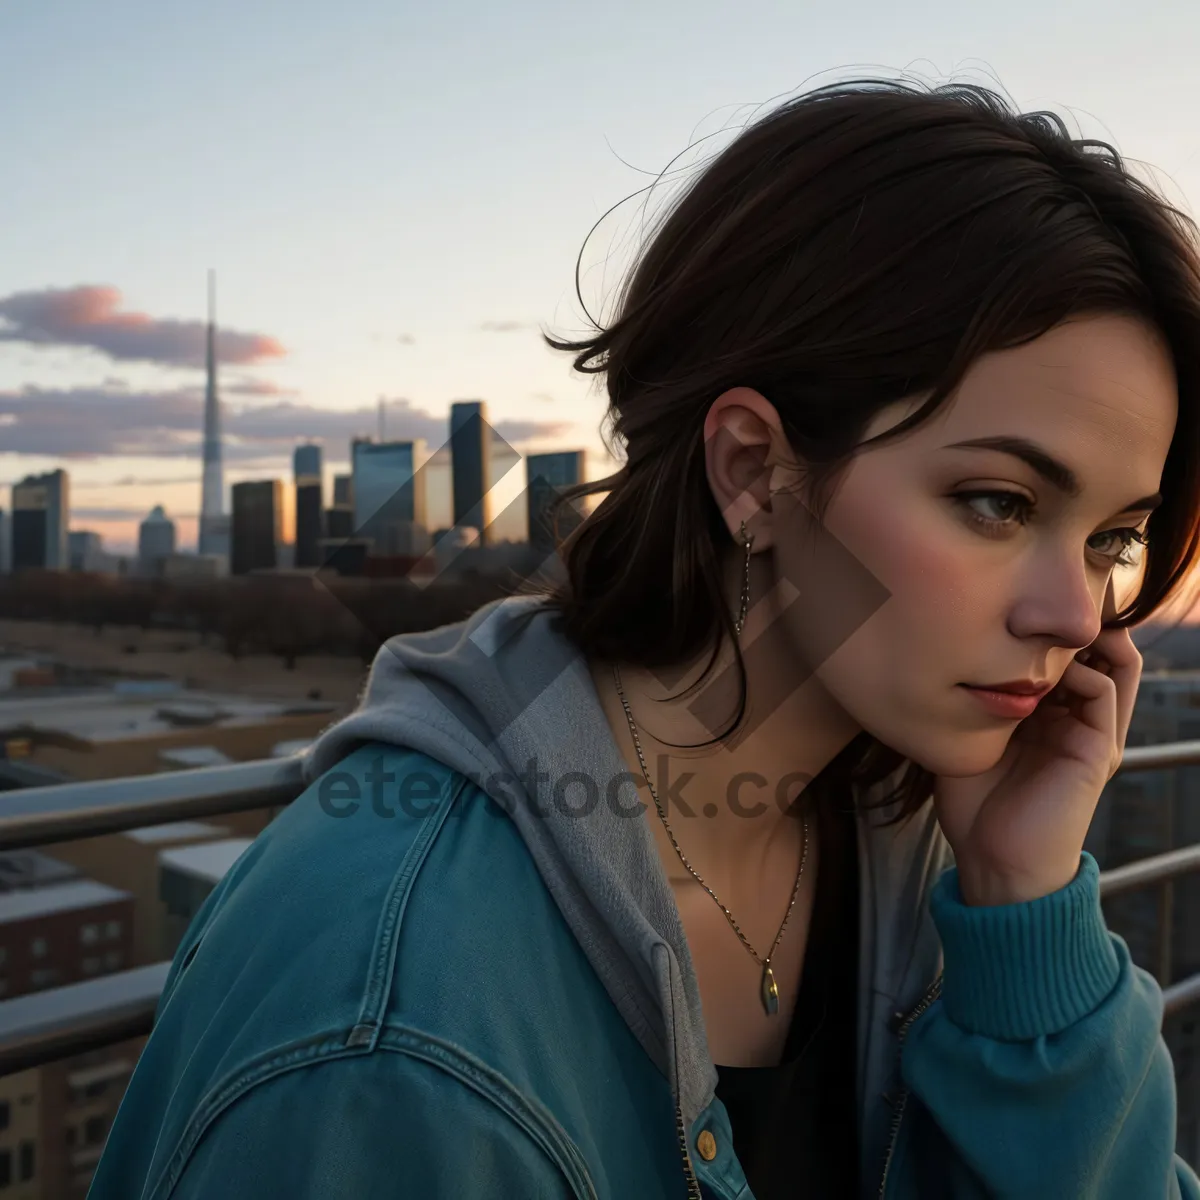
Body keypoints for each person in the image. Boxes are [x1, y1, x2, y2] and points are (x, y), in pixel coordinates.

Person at [91, 79, 1200, 1199]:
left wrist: (1021, 902)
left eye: (1113, 536)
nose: (1076, 615)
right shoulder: (392, 1034)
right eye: (999, 504)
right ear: (752, 470)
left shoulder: (901, 831)